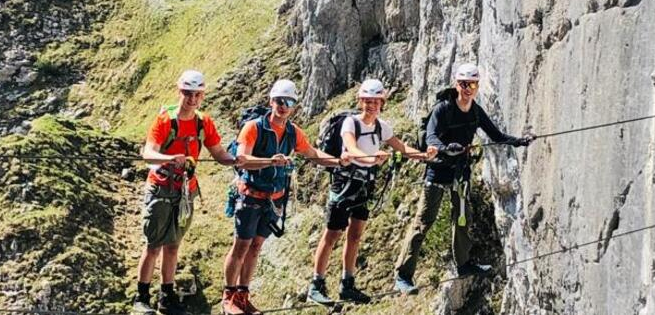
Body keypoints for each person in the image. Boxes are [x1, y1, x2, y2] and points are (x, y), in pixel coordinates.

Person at [393, 63, 535, 295]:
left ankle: (463, 264)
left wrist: (519, 141)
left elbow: (496, 135)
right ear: (456, 84)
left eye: (473, 84)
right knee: (423, 222)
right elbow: (431, 138)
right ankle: (403, 275)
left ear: (477, 86)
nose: (468, 89)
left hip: (460, 173)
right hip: (438, 172)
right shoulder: (443, 109)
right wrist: (446, 148)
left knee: (462, 218)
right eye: (463, 84)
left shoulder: (476, 111)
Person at [307, 79, 437, 306]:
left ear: (382, 103)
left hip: (365, 186)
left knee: (355, 235)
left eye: (375, 101)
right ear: (361, 102)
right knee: (332, 234)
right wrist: (372, 158)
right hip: (345, 184)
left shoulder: (381, 126)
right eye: (367, 101)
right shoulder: (351, 123)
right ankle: (316, 285)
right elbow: (352, 148)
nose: (371, 105)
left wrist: (424, 155)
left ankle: (347, 284)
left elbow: (400, 147)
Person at [221, 79, 345, 315]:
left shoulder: (292, 132)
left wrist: (339, 162)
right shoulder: (254, 128)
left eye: (289, 102)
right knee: (241, 246)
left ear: (294, 105)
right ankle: (228, 297)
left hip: (273, 199)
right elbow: (242, 159)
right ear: (271, 101)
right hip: (250, 196)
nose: (283, 106)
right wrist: (271, 160)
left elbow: (311, 154)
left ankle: (243, 296)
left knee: (256, 247)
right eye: (280, 100)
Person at [134, 70, 238, 315]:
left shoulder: (204, 123)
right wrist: (171, 159)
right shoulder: (165, 121)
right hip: (161, 188)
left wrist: (239, 160)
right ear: (179, 92)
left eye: (197, 94)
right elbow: (148, 153)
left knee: (172, 246)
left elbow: (219, 154)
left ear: (202, 96)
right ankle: (141, 297)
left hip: (185, 192)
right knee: (153, 245)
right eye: (188, 93)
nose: (192, 99)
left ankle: (166, 297)